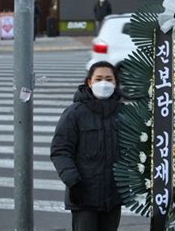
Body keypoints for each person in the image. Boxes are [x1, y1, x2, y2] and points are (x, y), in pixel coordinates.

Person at [51, 61, 123, 231]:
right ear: (89, 82)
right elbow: (60, 150)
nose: (103, 83)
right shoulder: (75, 113)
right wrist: (73, 182)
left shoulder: (123, 113)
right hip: (84, 196)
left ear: (115, 83)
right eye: (98, 79)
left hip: (113, 197)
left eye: (108, 79)